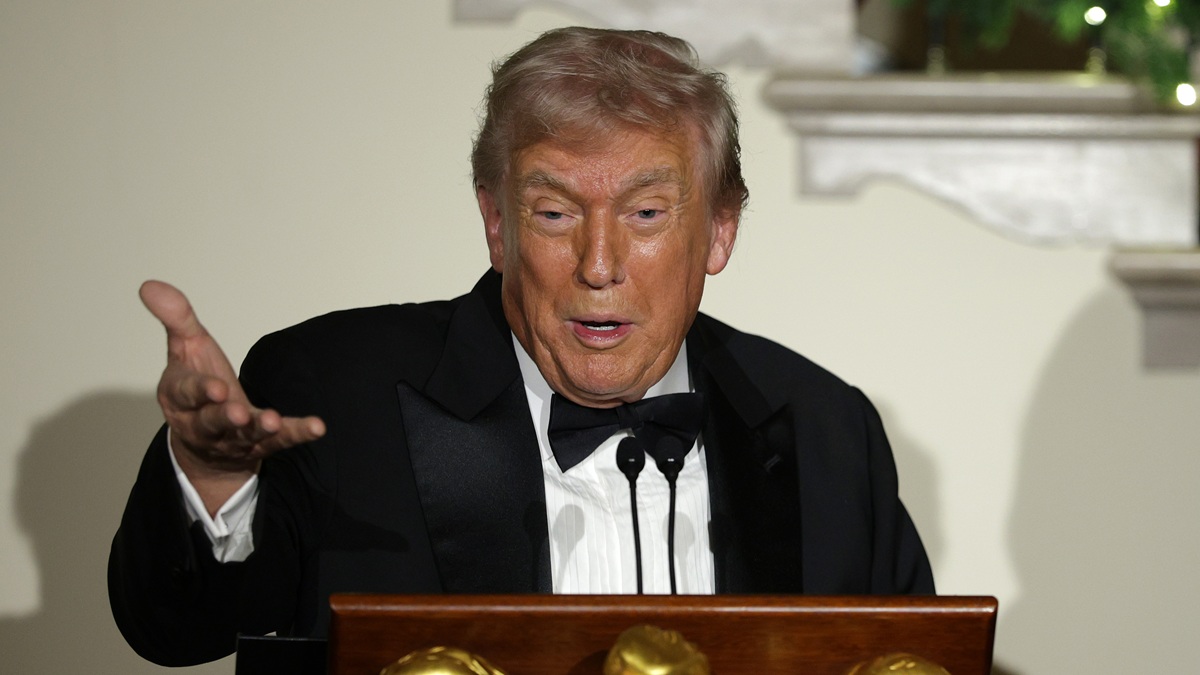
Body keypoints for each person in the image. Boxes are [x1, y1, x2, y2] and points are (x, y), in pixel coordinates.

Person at [109, 26, 934, 668]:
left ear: (720, 230)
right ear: (497, 224)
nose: (599, 264)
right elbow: (173, 630)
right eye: (554, 213)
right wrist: (214, 478)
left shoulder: (829, 431)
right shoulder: (331, 390)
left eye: (646, 214)